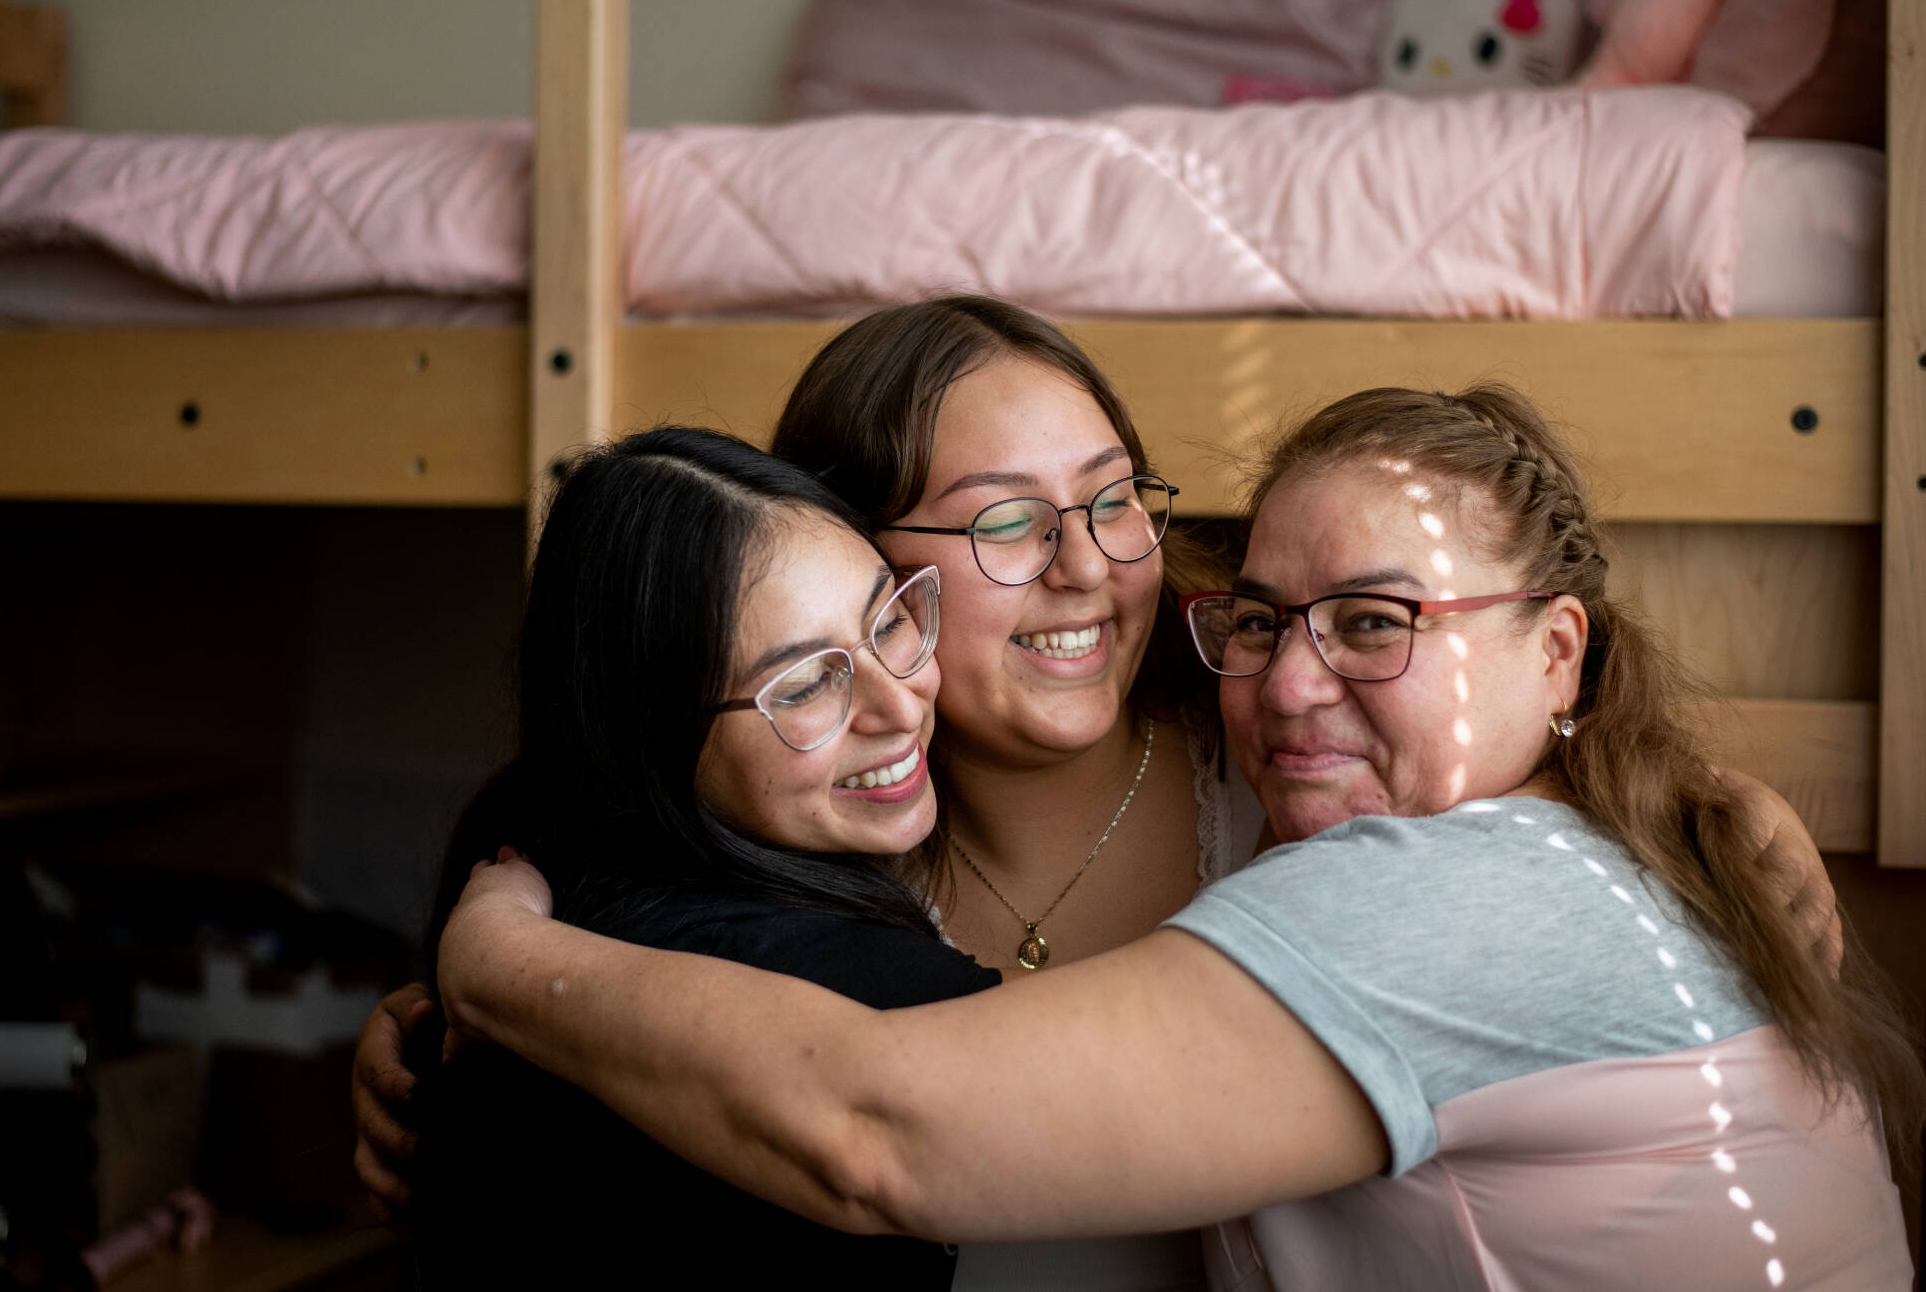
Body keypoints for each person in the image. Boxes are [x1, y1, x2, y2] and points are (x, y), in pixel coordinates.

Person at [356, 299, 1841, 1284]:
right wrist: (458, 1015)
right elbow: (610, 801)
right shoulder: (807, 834)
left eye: (1114, 497)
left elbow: (1490, 750)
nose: (1085, 565)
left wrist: (1694, 799)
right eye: (1005, 522)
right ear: (851, 558)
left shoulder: (1294, 769)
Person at [407, 426, 1001, 1288]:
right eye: (806, 683)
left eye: (889, 619)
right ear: (652, 736)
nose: (899, 704)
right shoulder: (880, 995)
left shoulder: (522, 862)